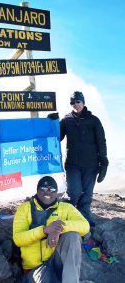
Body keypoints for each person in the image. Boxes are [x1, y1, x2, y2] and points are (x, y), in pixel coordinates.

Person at [13, 176, 90, 283]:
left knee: (73, 236)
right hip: (36, 269)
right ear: (37, 190)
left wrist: (57, 229)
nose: (48, 192)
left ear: (57, 193)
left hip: (57, 261)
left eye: (52, 190)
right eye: (43, 189)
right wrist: (44, 230)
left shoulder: (66, 208)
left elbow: (85, 226)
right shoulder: (25, 208)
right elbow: (18, 239)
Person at [59, 91, 108, 226]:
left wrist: (104, 162)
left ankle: (85, 219)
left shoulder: (94, 120)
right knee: (74, 193)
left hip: (91, 164)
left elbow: (101, 142)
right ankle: (67, 215)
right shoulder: (66, 120)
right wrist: (51, 122)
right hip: (73, 164)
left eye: (78, 102)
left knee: (86, 196)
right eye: (73, 103)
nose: (76, 105)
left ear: (83, 102)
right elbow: (57, 136)